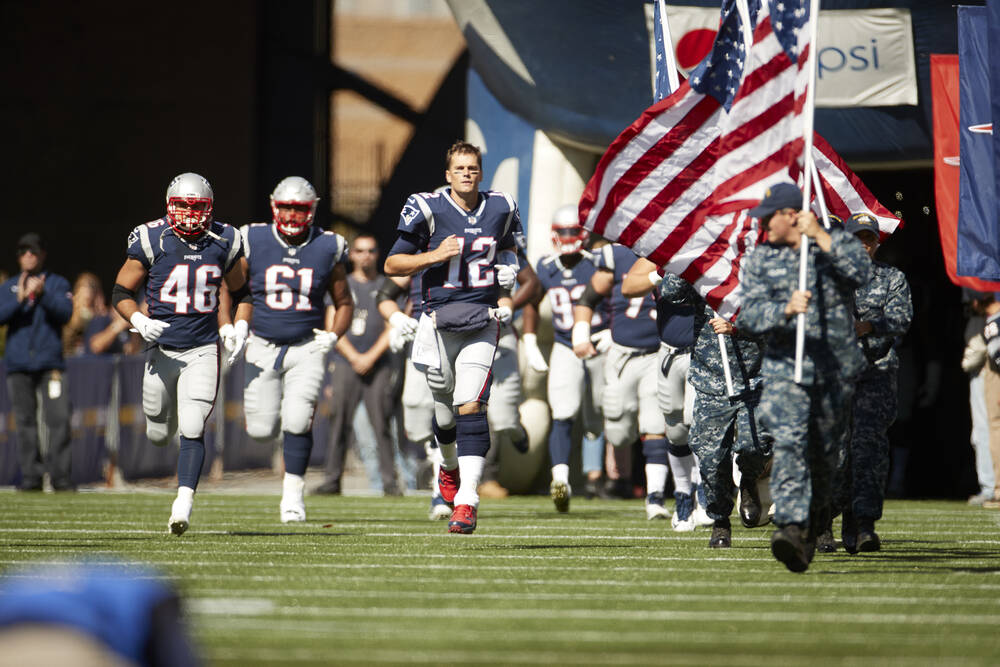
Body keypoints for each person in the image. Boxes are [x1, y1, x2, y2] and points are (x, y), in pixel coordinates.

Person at [384, 140, 522, 534]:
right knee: (444, 414)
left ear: (480, 172)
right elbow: (393, 263)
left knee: (471, 406)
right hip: (438, 321)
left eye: (473, 168)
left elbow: (509, 249)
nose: (466, 174)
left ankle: (467, 500)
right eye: (459, 169)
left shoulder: (501, 205)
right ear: (448, 175)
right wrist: (434, 256)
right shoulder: (428, 207)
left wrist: (509, 273)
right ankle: (448, 467)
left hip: (482, 319)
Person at [736, 183, 870, 572]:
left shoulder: (828, 252)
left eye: (770, 217)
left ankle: (812, 525)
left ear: (791, 215)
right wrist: (784, 310)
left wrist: (823, 237)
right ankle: (791, 527)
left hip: (831, 370)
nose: (764, 225)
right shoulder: (763, 258)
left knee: (826, 459)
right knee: (791, 444)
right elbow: (748, 316)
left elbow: (862, 273)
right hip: (784, 369)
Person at [112, 172, 249, 535]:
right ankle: (165, 424)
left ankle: (183, 501)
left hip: (203, 348)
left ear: (210, 208)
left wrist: (239, 325)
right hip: (161, 350)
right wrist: (139, 320)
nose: (190, 214)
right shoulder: (150, 238)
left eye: (197, 206)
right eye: (183, 206)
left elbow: (244, 292)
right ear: (169, 206)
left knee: (192, 425)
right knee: (158, 431)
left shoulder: (226, 239)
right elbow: (120, 292)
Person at [232, 176, 352, 522]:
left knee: (299, 418)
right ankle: (289, 486)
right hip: (262, 343)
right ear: (274, 206)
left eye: (299, 209)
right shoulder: (252, 238)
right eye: (287, 207)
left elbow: (343, 301)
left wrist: (333, 335)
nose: (292, 215)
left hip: (306, 345)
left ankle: (292, 497)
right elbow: (233, 288)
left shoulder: (328, 245)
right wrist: (232, 325)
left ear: (312, 210)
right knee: (260, 429)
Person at [659, 273, 771, 548]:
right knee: (711, 458)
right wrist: (687, 261)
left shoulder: (763, 265)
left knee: (756, 446)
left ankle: (747, 481)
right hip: (711, 379)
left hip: (755, 378)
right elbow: (672, 293)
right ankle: (721, 521)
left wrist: (737, 326)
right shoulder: (706, 267)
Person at [573, 244, 669, 521]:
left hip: (658, 352)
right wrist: (581, 334)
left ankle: (656, 497)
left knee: (655, 424)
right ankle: (626, 478)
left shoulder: (674, 252)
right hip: (621, 353)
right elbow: (588, 298)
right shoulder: (617, 255)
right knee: (617, 429)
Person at [835, 213, 912, 552]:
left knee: (868, 449)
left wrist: (869, 326)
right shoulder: (829, 277)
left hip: (875, 373)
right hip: (834, 376)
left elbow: (902, 318)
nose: (863, 244)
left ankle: (863, 522)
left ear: (877, 243)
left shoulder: (892, 278)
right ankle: (825, 519)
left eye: (869, 238)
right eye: (856, 238)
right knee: (834, 452)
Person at [620, 256, 711, 531]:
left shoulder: (709, 253)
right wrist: (660, 275)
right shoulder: (662, 256)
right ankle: (683, 496)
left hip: (703, 352)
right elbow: (629, 286)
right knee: (675, 431)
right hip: (669, 352)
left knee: (700, 427)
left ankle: (705, 498)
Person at [530, 205, 610, 511]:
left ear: (584, 233)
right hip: (565, 344)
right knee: (562, 411)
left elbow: (616, 299)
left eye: (572, 231)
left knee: (601, 414)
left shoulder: (597, 263)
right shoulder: (546, 266)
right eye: (562, 231)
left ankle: (597, 479)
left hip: (599, 341)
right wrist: (529, 339)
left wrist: (612, 331)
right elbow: (532, 301)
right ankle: (560, 479)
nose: (566, 238)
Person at [318, 233, 402, 497]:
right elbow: (331, 324)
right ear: (351, 254)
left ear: (378, 254)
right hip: (345, 362)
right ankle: (332, 480)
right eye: (360, 250)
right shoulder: (342, 284)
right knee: (339, 423)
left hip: (378, 364)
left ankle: (390, 483)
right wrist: (354, 357)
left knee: (382, 425)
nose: (366, 255)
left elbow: (392, 326)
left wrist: (370, 357)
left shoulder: (386, 286)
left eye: (371, 250)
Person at [0, 233, 74, 491]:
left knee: (58, 419)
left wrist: (42, 295)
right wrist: (19, 299)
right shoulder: (9, 287)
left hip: (50, 363)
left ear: (42, 254)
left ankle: (60, 477)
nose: (28, 256)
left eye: (33, 251)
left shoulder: (57, 284)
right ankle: (31, 476)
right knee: (24, 422)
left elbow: (66, 314)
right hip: (19, 364)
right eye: (23, 251)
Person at [961, 291, 996, 505]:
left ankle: (991, 486)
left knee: (987, 429)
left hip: (986, 371)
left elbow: (975, 355)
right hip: (982, 371)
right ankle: (991, 485)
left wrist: (968, 361)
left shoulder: (984, 317)